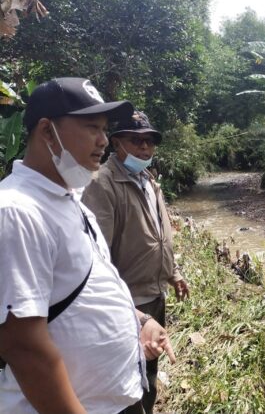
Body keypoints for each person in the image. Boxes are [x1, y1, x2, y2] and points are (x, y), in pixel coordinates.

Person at [0, 77, 176, 414]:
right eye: (91, 128)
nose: (103, 141)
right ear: (47, 132)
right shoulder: (17, 211)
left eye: (105, 129)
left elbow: (89, 286)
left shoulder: (71, 202)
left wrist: (139, 320)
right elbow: (23, 346)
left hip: (117, 399)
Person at [82, 111, 189, 414]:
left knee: (149, 376)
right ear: (116, 142)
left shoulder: (148, 181)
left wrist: (173, 272)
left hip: (154, 297)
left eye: (149, 142)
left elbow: (160, 230)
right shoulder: (102, 184)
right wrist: (126, 309)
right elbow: (96, 254)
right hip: (125, 303)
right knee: (126, 381)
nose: (144, 148)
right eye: (136, 140)